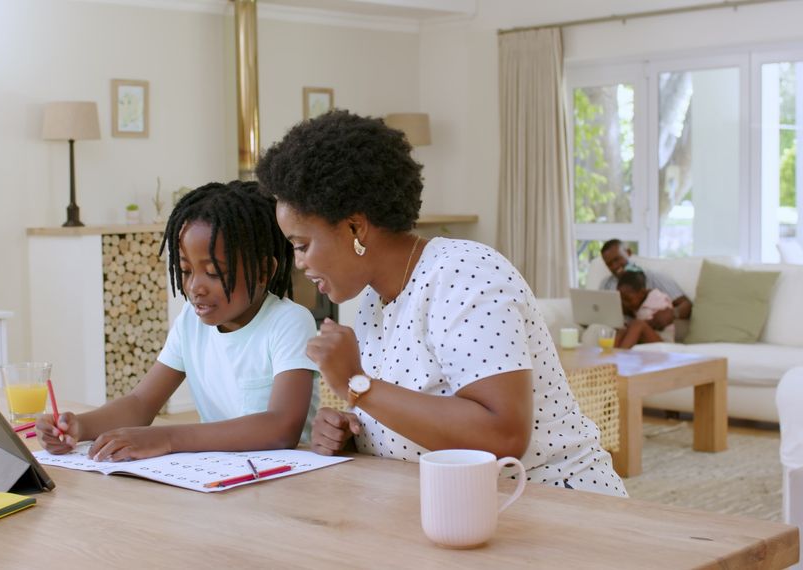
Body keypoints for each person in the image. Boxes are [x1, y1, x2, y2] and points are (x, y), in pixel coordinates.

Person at [257, 110, 626, 497]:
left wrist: (357, 385)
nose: (300, 262)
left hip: (555, 504)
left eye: (302, 245)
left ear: (355, 227)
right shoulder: (372, 301)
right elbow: (419, 415)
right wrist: (352, 432)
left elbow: (502, 437)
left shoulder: (464, 274)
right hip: (460, 507)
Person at [36, 181, 320, 461]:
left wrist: (168, 438)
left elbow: (282, 427)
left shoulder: (289, 322)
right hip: (219, 476)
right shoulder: (191, 322)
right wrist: (80, 426)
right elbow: (141, 403)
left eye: (214, 272)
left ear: (262, 271)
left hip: (284, 479)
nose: (195, 286)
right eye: (185, 270)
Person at [599, 239, 692, 332]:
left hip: (646, 331)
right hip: (614, 331)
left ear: (628, 252)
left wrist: (672, 314)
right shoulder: (605, 284)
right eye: (609, 264)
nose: (615, 266)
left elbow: (687, 304)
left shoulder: (653, 277)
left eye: (617, 259)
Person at [615, 269, 675, 348]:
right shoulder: (638, 303)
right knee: (621, 330)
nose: (624, 303)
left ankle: (619, 355)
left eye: (628, 299)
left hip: (664, 344)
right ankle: (608, 355)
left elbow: (656, 323)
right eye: (621, 299)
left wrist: (631, 325)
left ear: (642, 293)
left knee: (638, 325)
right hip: (646, 343)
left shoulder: (657, 298)